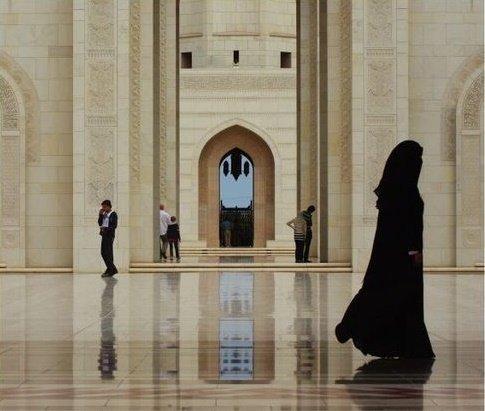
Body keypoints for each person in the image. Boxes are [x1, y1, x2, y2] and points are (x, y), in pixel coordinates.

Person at [335, 140, 435, 359]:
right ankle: (349, 325)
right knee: (387, 294)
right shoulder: (401, 193)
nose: (419, 164)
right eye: (416, 160)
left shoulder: (399, 190)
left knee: (392, 296)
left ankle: (403, 344)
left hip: (401, 255)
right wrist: (412, 252)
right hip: (402, 256)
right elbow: (400, 229)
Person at [98, 200, 118, 277]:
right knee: (103, 252)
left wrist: (106, 228)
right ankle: (111, 269)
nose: (103, 208)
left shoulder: (113, 214)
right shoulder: (104, 214)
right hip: (104, 235)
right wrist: (100, 215)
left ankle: (111, 269)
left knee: (108, 253)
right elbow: (100, 223)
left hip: (109, 235)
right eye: (102, 207)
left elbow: (114, 226)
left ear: (109, 206)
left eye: (104, 207)